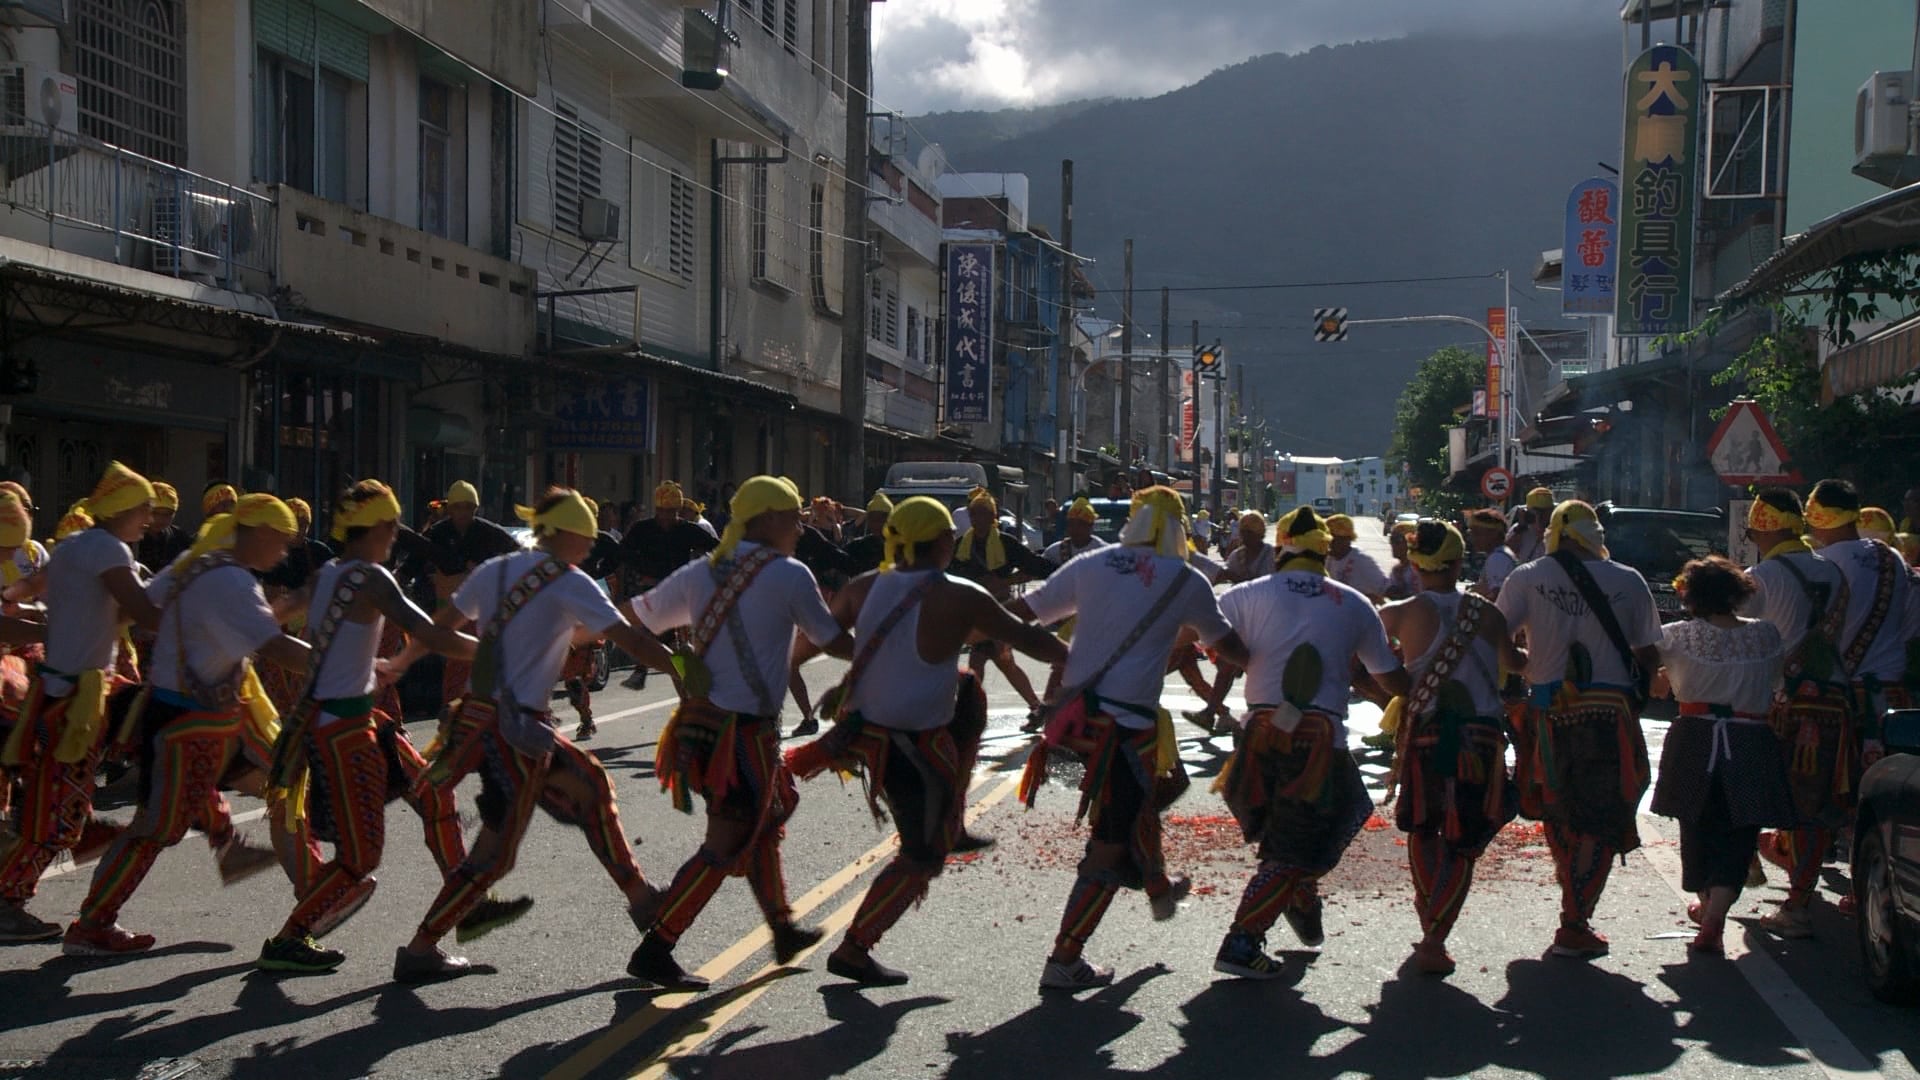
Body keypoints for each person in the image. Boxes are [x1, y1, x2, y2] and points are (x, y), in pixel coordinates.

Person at [391, 488, 678, 983]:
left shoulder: (494, 571)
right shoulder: (572, 582)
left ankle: (642, 898)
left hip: (479, 714)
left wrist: (398, 664)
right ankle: (420, 948)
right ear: (565, 535)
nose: (590, 548)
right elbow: (628, 640)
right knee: (494, 855)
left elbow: (437, 631)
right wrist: (681, 669)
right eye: (586, 538)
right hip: (516, 729)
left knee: (591, 787)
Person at [787, 497, 1068, 985]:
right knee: (922, 856)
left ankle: (950, 821)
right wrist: (1088, 664)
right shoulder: (961, 594)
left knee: (967, 690)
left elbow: (812, 643)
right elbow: (1030, 640)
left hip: (880, 733)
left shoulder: (861, 588)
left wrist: (863, 664)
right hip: (906, 748)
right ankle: (855, 948)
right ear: (942, 542)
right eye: (950, 539)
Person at [1010, 487, 1250, 991]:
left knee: (1134, 808)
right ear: (1178, 529)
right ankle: (1065, 957)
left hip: (1075, 731)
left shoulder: (1093, 563)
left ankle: (1157, 885)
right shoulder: (1185, 579)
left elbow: (1025, 613)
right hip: (1126, 733)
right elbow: (1226, 645)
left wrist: (1055, 656)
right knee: (1110, 842)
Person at [629, 476, 854, 991]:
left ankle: (781, 926)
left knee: (767, 819)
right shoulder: (790, 575)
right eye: (794, 516)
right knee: (726, 842)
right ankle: (658, 945)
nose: (800, 527)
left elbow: (635, 620)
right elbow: (831, 639)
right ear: (768, 519)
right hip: (743, 736)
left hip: (701, 729)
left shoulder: (700, 572)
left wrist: (671, 664)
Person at [60, 494, 309, 956]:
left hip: (184, 713)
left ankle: (262, 870)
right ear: (257, 533)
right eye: (281, 541)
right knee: (155, 827)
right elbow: (275, 648)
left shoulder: (193, 566)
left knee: (270, 787)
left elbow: (134, 615)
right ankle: (93, 923)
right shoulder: (233, 581)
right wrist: (348, 670)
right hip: (188, 721)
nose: (285, 553)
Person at [255, 481, 481, 973]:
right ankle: (290, 938)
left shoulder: (328, 574)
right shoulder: (374, 578)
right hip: (343, 730)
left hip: (351, 718)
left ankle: (466, 897)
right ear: (377, 527)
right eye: (393, 525)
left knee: (434, 794)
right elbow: (432, 635)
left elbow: (273, 617)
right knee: (362, 856)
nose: (396, 534)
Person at [1210, 507, 1409, 979]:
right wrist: (1425, 694)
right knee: (1301, 843)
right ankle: (1244, 937)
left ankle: (1298, 895)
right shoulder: (1354, 603)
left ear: (1280, 549)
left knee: (1289, 839)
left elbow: (1205, 641)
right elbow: (1387, 677)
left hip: (1257, 737)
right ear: (1324, 553)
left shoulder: (1243, 595)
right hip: (1318, 744)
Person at [0, 463, 165, 943]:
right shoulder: (110, 549)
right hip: (75, 698)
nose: (148, 518)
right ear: (124, 510)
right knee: (58, 810)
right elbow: (142, 610)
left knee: (58, 802)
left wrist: (17, 604)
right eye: (144, 509)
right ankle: (8, 901)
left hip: (57, 689)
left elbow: (26, 590)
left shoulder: (70, 546)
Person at [1496, 500, 1660, 959]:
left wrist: (1522, 666)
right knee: (1605, 814)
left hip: (1548, 714)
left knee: (1558, 810)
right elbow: (1649, 652)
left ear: (1555, 533)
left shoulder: (1526, 576)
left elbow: (1496, 634)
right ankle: (1575, 918)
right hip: (1611, 718)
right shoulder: (1628, 580)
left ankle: (1574, 911)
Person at [1377, 520, 1524, 975]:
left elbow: (1370, 665)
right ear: (1460, 562)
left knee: (1424, 829)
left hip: (1425, 734)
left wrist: (1392, 690)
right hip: (1480, 738)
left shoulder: (1397, 613)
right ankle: (1435, 934)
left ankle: (1432, 928)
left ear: (1414, 562)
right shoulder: (1490, 614)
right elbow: (1516, 665)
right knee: (1464, 840)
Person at [1649, 556, 1793, 956]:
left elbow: (1658, 685)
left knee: (1696, 821)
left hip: (1695, 735)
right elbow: (1777, 681)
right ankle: (1715, 915)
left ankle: (1707, 902)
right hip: (1750, 738)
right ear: (1737, 596)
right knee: (1739, 829)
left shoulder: (1676, 636)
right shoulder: (1765, 636)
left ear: (1691, 597)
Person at [1736, 490, 1852, 938]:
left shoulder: (1763, 576)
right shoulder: (1834, 572)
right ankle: (1800, 899)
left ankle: (1744, 867)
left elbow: (1738, 637)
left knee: (1751, 790)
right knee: (1814, 804)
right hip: (1832, 702)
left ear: (1765, 529)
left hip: (1780, 702)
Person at [404, 481, 520, 714]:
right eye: (458, 507)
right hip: (451, 611)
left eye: (469, 507)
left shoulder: (489, 532)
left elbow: (517, 558)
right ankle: (453, 717)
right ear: (450, 509)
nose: (464, 513)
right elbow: (413, 563)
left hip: (484, 613)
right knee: (455, 666)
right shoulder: (437, 534)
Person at [953, 486, 1052, 724]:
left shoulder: (1006, 544)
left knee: (991, 660)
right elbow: (949, 573)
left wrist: (1002, 581)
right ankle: (1035, 707)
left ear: (992, 516)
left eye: (982, 513)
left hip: (1001, 609)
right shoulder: (961, 546)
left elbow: (1033, 569)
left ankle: (971, 715)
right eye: (973, 514)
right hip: (975, 612)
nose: (977, 519)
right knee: (1000, 662)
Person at [614, 481, 719, 690]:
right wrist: (643, 571)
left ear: (678, 510)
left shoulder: (688, 531)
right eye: (661, 511)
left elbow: (718, 547)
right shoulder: (642, 529)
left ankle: (648, 672)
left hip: (678, 591)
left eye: (670, 512)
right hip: (650, 588)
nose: (665, 516)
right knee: (661, 640)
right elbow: (622, 553)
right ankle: (669, 682)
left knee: (666, 641)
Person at [1325, 514, 1388, 602]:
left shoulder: (1361, 559)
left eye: (1334, 540)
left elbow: (1384, 588)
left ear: (1347, 539)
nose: (1330, 544)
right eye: (1327, 540)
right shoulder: (1329, 559)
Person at [135, 482, 192, 575]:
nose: (161, 519)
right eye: (155, 513)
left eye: (168, 514)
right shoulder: (132, 537)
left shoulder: (180, 538)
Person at [1042, 497, 1110, 569]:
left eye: (1081, 524)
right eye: (1072, 524)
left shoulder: (1105, 553)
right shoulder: (1054, 552)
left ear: (1090, 526)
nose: (1075, 529)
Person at [1467, 509, 1518, 601]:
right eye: (1471, 533)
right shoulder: (1502, 554)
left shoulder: (1498, 559)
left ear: (1494, 533)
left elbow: (1497, 596)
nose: (1472, 538)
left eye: (1477, 533)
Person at [843, 492, 893, 577]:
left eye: (879, 520)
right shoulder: (858, 546)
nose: (875, 524)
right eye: (872, 520)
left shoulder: (900, 546)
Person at [1509, 488, 1553, 563]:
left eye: (1544, 512)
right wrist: (1520, 527)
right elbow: (1509, 551)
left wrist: (1541, 529)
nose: (1540, 515)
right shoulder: (1519, 529)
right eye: (1536, 511)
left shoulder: (1557, 529)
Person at [1385, 521, 1421, 602]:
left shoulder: (1419, 568)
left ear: (1411, 542)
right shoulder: (1397, 569)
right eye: (1391, 539)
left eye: (1397, 540)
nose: (1392, 544)